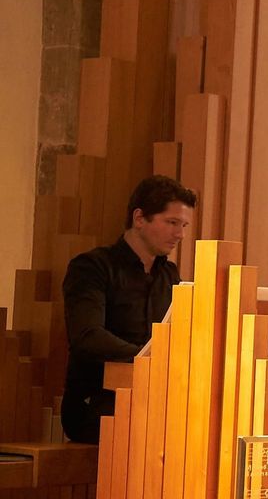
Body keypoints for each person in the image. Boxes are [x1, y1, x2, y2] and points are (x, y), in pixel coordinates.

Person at [61, 175, 195, 443]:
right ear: (139, 219)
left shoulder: (170, 276)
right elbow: (87, 337)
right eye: (171, 223)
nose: (180, 234)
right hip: (98, 403)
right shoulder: (92, 267)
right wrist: (148, 360)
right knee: (160, 434)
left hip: (152, 401)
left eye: (183, 225)